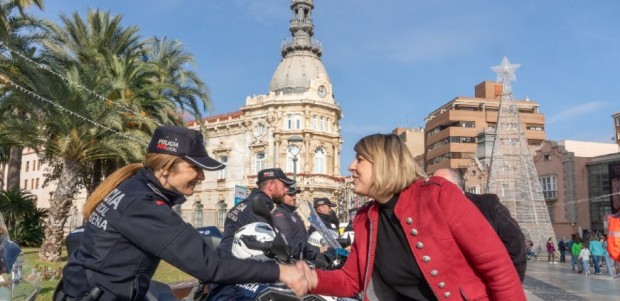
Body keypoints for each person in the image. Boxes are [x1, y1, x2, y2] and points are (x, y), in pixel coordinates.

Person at [56, 125, 307, 301]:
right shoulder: (142, 205)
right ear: (167, 166)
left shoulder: (133, 188)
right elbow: (208, 267)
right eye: (195, 167)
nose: (201, 176)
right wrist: (281, 271)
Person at [300, 133, 525, 300]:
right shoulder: (364, 218)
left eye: (359, 159)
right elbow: (351, 280)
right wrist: (308, 278)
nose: (351, 166)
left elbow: (498, 268)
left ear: (384, 163)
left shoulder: (438, 195)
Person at [433, 168, 527, 282]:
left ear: (456, 186)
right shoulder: (431, 213)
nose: (434, 190)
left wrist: (510, 283)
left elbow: (516, 242)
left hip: (488, 285)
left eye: (440, 185)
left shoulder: (488, 205)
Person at [218, 167, 295, 259]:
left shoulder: (246, 204)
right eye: (284, 185)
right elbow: (264, 243)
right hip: (237, 265)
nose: (287, 190)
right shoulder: (258, 208)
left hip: (228, 259)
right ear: (271, 185)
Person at [272, 185, 325, 260]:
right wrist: (317, 250)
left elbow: (303, 239)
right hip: (294, 262)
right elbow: (288, 244)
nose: (294, 197)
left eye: (295, 194)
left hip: (304, 258)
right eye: (290, 195)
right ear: (281, 196)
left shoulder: (292, 214)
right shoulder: (280, 215)